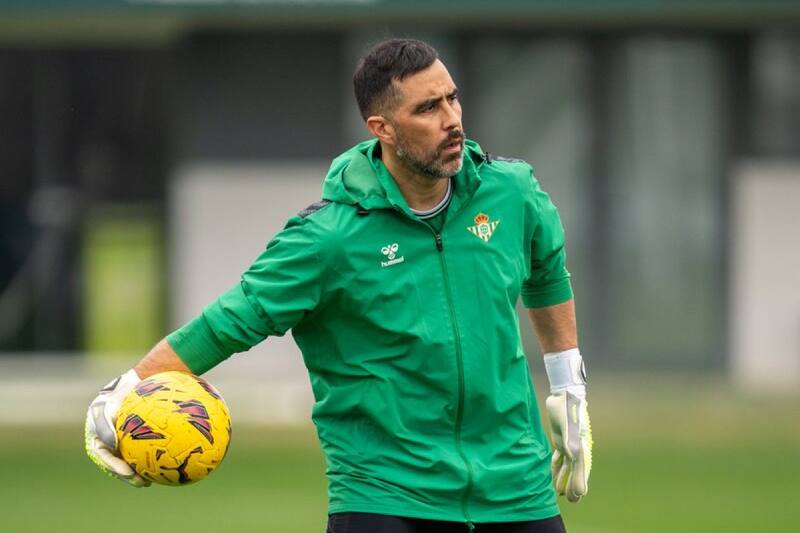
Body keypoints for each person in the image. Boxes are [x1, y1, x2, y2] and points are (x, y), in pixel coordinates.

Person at [85, 38, 592, 533]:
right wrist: (125, 390)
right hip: (385, 492)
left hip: (515, 484)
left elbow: (546, 272)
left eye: (452, 98)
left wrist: (568, 385)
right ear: (382, 128)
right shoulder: (327, 238)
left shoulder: (512, 192)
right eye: (428, 108)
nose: (452, 119)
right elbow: (230, 321)